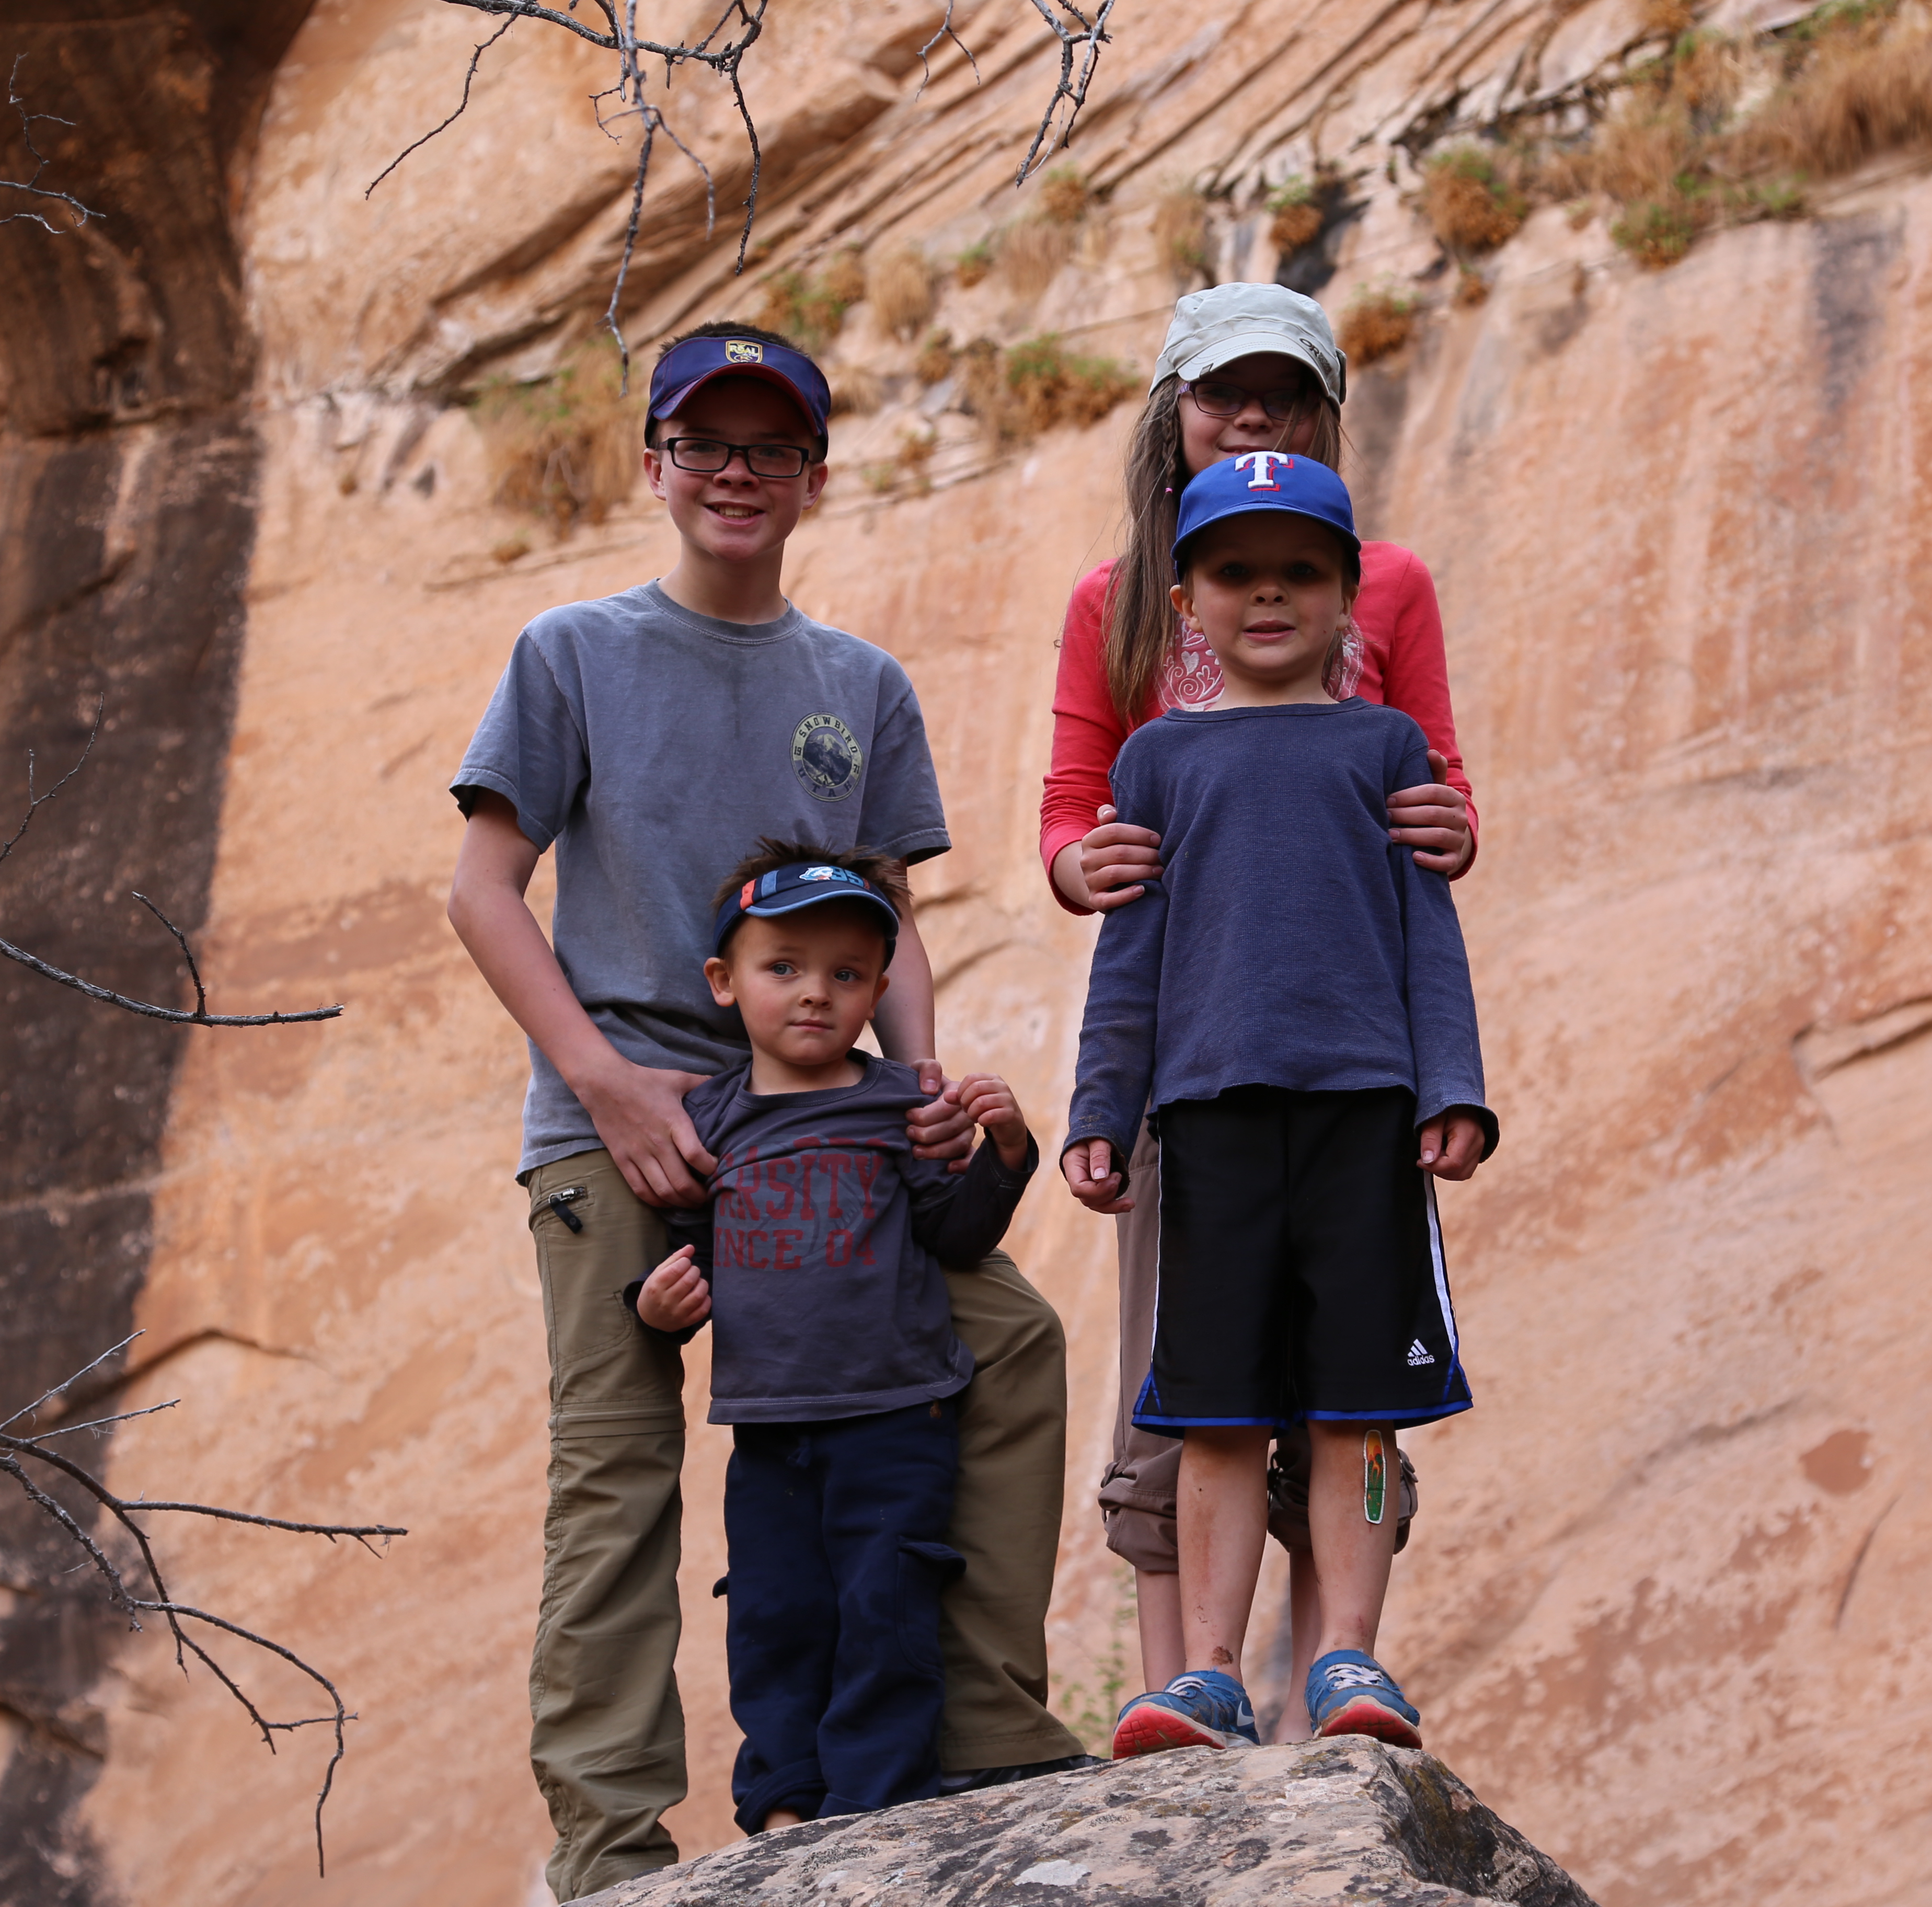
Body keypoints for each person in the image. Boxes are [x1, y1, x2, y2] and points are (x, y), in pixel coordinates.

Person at [447, 323, 1085, 1902]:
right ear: (654, 462)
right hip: (625, 1115)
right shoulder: (572, 653)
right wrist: (600, 1078)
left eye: (772, 447)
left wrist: (919, 1084)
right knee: (617, 1454)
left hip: (827, 1116)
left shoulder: (855, 684)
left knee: (1003, 1340)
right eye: (706, 442)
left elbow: (891, 921)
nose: (738, 472)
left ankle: (984, 1724)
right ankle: (609, 1841)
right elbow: (481, 890)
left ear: (814, 474)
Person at [1039, 283, 1480, 1731]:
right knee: (1206, 1393)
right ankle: (1202, 1676)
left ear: (1346, 591)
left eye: (1283, 394)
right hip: (1208, 1093)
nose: (1270, 594)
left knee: (1353, 1394)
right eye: (1225, 391)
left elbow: (1433, 864)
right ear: (1191, 595)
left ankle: (1340, 1664)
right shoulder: (1149, 714)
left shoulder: (1384, 705)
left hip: (1356, 1096)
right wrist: (1103, 1104)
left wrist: (1451, 1085)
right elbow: (1106, 895)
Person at [626, 847, 1040, 1829]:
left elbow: (956, 1234)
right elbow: (687, 1249)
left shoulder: (901, 1105)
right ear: (724, 984)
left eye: (847, 974)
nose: (816, 994)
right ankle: (783, 1804)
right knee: (774, 1616)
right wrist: (649, 1308)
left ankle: (871, 1808)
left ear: (880, 990)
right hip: (770, 1429)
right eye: (785, 968)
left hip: (898, 1414)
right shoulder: (709, 1121)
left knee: (887, 1611)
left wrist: (1008, 1155)